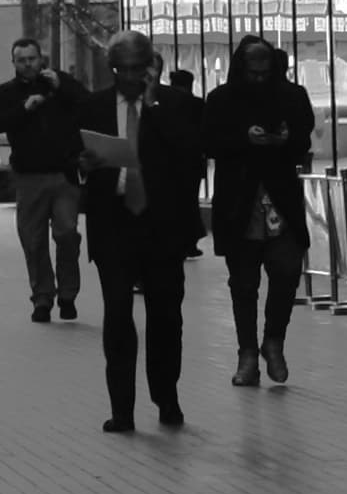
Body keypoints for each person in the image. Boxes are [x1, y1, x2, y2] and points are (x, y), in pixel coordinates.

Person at [76, 31, 208, 433]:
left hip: (162, 222)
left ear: (152, 65)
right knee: (117, 314)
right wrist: (83, 163)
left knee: (165, 315)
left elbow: (191, 157)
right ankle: (122, 409)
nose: (131, 77)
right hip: (114, 221)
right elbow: (72, 159)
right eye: (123, 69)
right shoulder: (93, 105)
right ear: (112, 68)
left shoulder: (177, 104)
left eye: (139, 68)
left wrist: (153, 105)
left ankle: (166, 397)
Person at [203, 33, 316, 388]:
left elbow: (305, 138)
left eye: (265, 72)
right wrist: (243, 138)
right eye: (251, 73)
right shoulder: (221, 99)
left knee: (286, 272)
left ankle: (273, 341)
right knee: (243, 283)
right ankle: (247, 352)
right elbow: (208, 142)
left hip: (280, 198)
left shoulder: (292, 96)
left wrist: (285, 139)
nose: (258, 80)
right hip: (239, 202)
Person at [0, 34, 86, 323]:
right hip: (29, 177)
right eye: (22, 60)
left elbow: (89, 107)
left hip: (64, 174)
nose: (28, 65)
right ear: (14, 63)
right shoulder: (8, 92)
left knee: (67, 233)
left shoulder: (60, 84)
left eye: (32, 59)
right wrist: (22, 110)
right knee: (33, 240)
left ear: (41, 58)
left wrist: (62, 87)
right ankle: (42, 298)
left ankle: (68, 293)